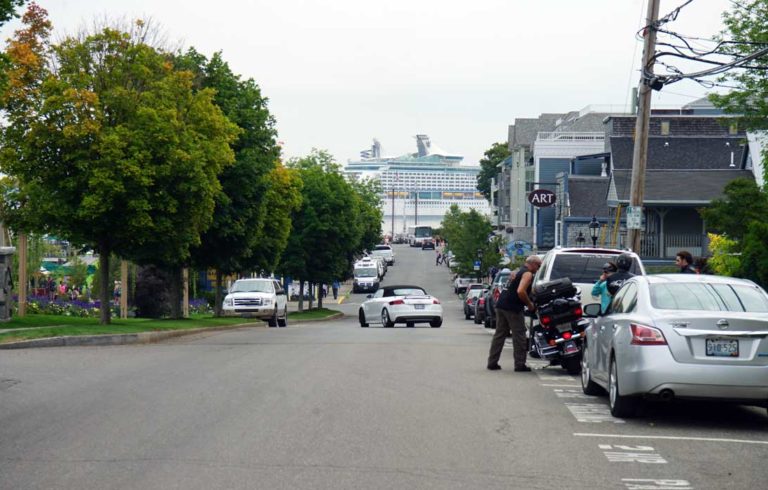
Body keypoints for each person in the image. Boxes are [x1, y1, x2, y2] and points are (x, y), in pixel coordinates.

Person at [487, 254, 542, 372]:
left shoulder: (517, 271)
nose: (538, 268)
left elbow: (519, 287)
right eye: (538, 265)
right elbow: (521, 291)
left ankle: (492, 362)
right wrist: (530, 304)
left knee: (499, 334)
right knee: (519, 335)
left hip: (501, 304)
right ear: (532, 264)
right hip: (513, 307)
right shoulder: (527, 274)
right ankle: (520, 364)